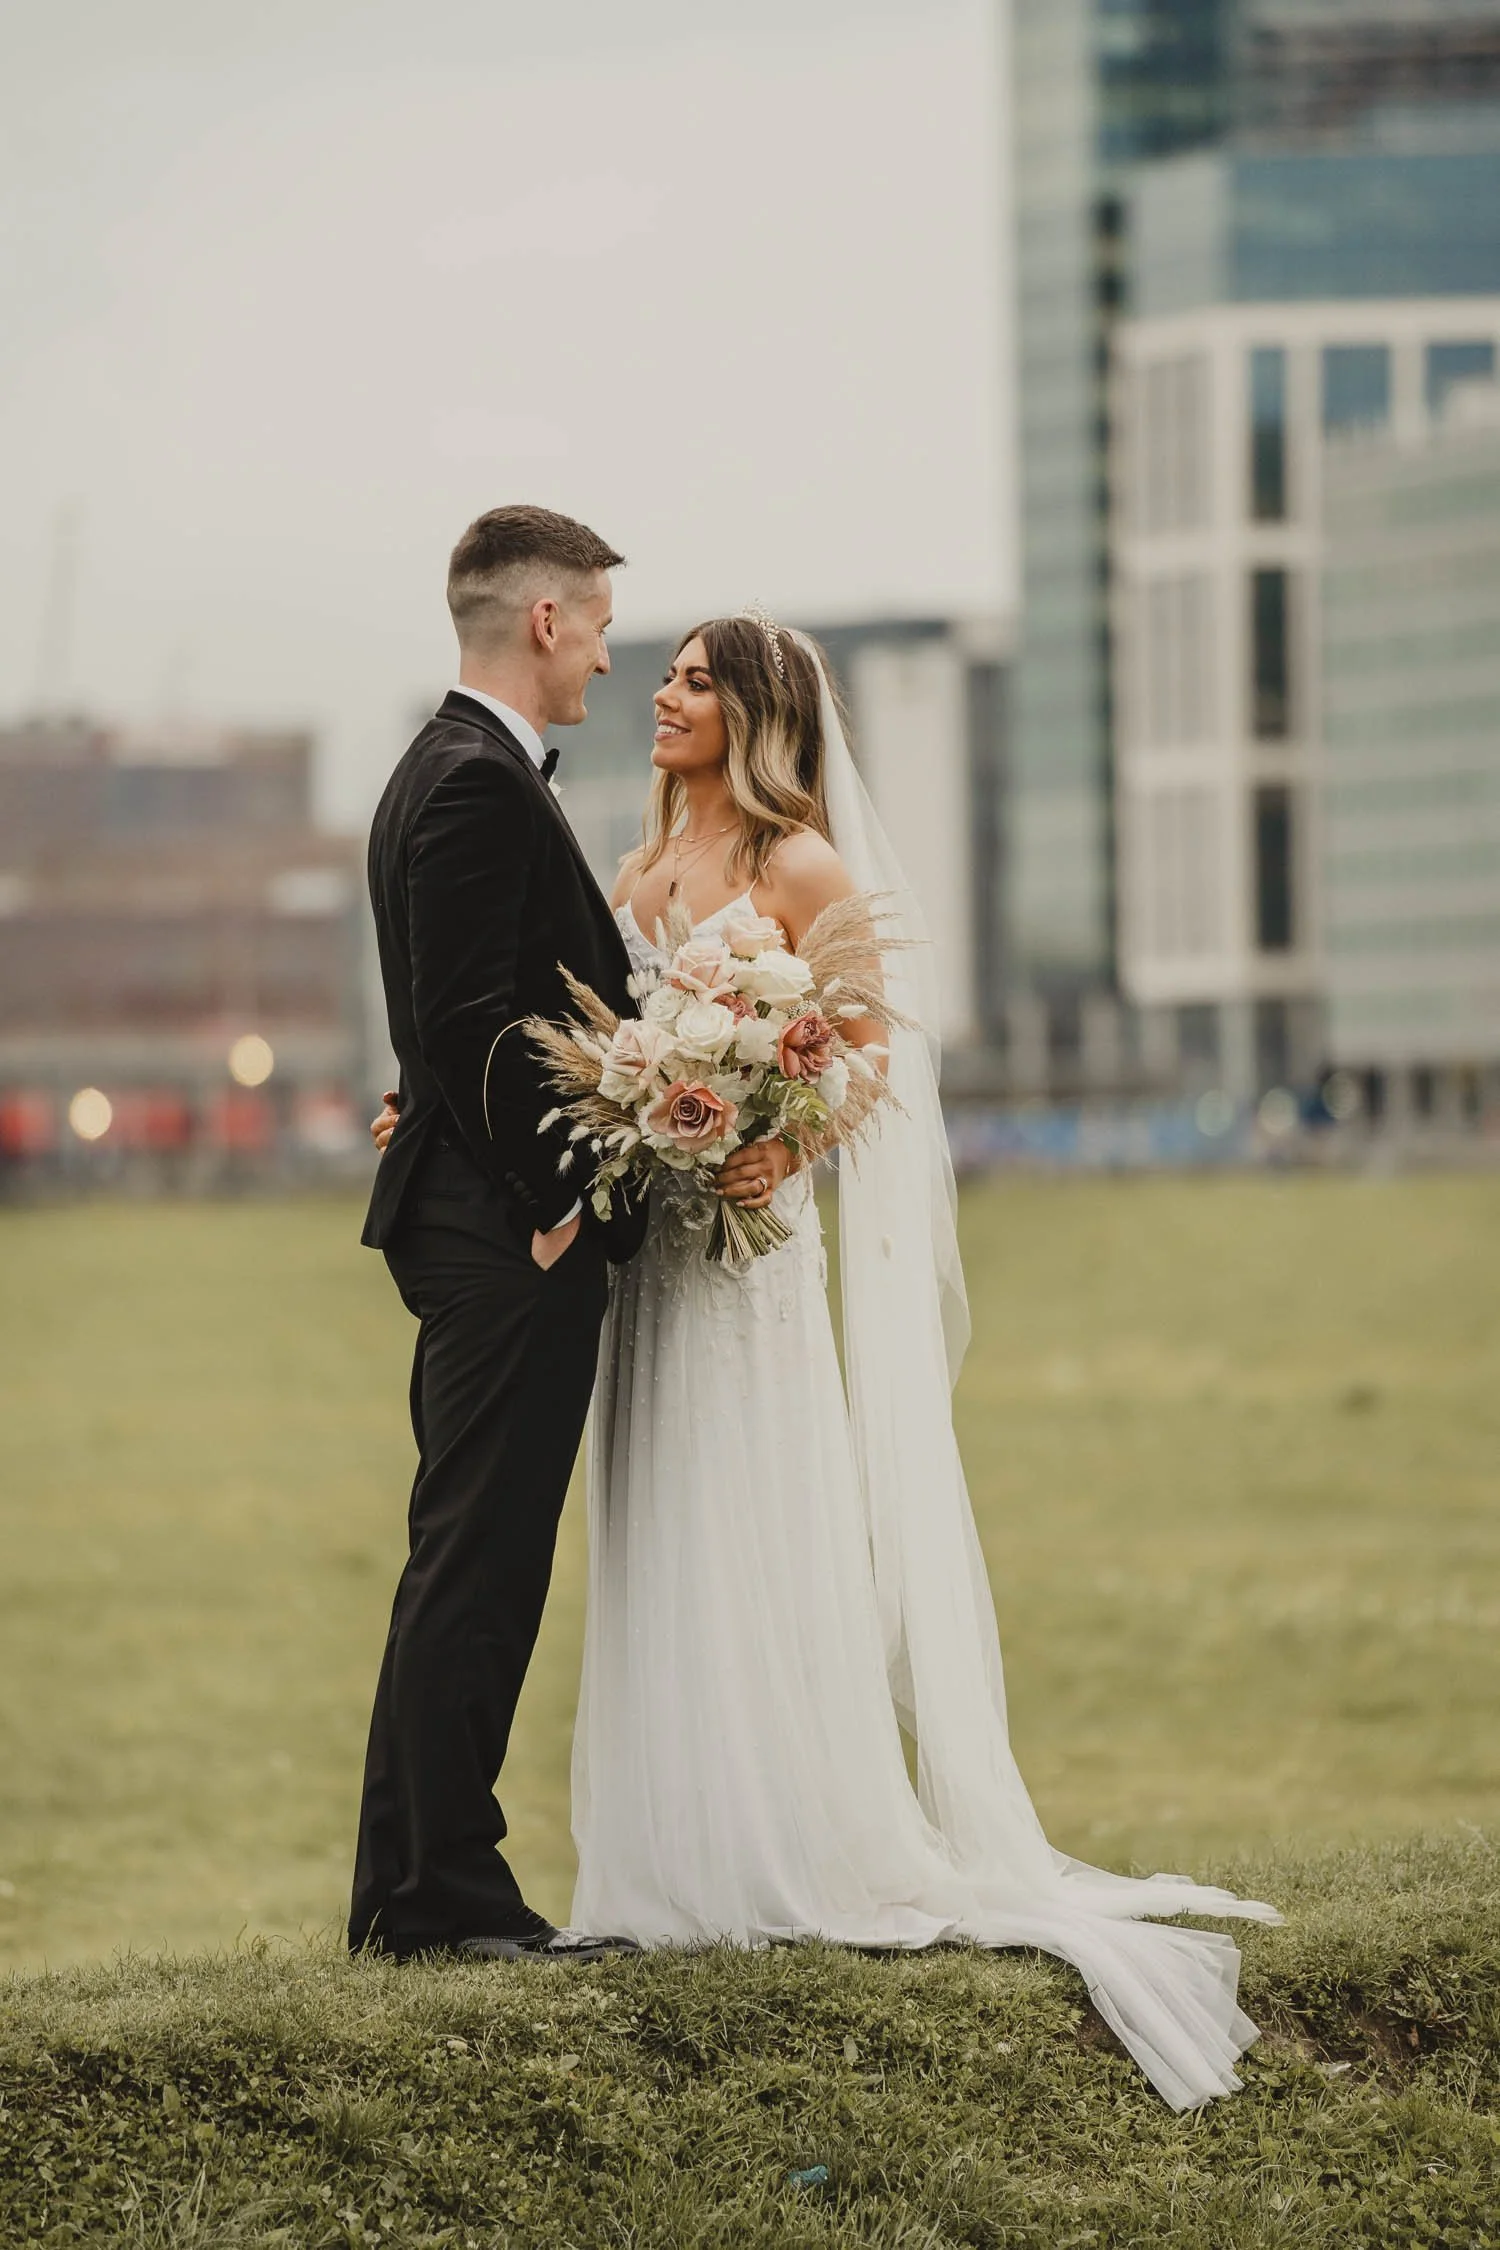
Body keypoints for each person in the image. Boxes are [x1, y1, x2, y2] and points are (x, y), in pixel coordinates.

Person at [372, 605, 1282, 2109]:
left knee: (750, 1528)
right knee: (655, 1535)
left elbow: (864, 1061)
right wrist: (473, 1103)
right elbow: (567, 1037)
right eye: (655, 672)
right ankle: (665, 1857)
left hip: (746, 1269)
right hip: (648, 1270)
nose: (658, 692)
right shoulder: (637, 868)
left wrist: (769, 1137)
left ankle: (786, 1834)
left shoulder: (799, 866)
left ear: (757, 713)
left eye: (690, 682)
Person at [350, 504, 646, 1963]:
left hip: (465, 1212)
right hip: (497, 1231)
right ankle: (441, 1901)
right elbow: (470, 1019)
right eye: (594, 622)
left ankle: (410, 1896)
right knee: (482, 1559)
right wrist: (552, 1201)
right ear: (543, 621)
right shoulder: (473, 782)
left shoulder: (444, 769)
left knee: (461, 1555)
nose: (603, 653)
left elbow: (445, 1009)